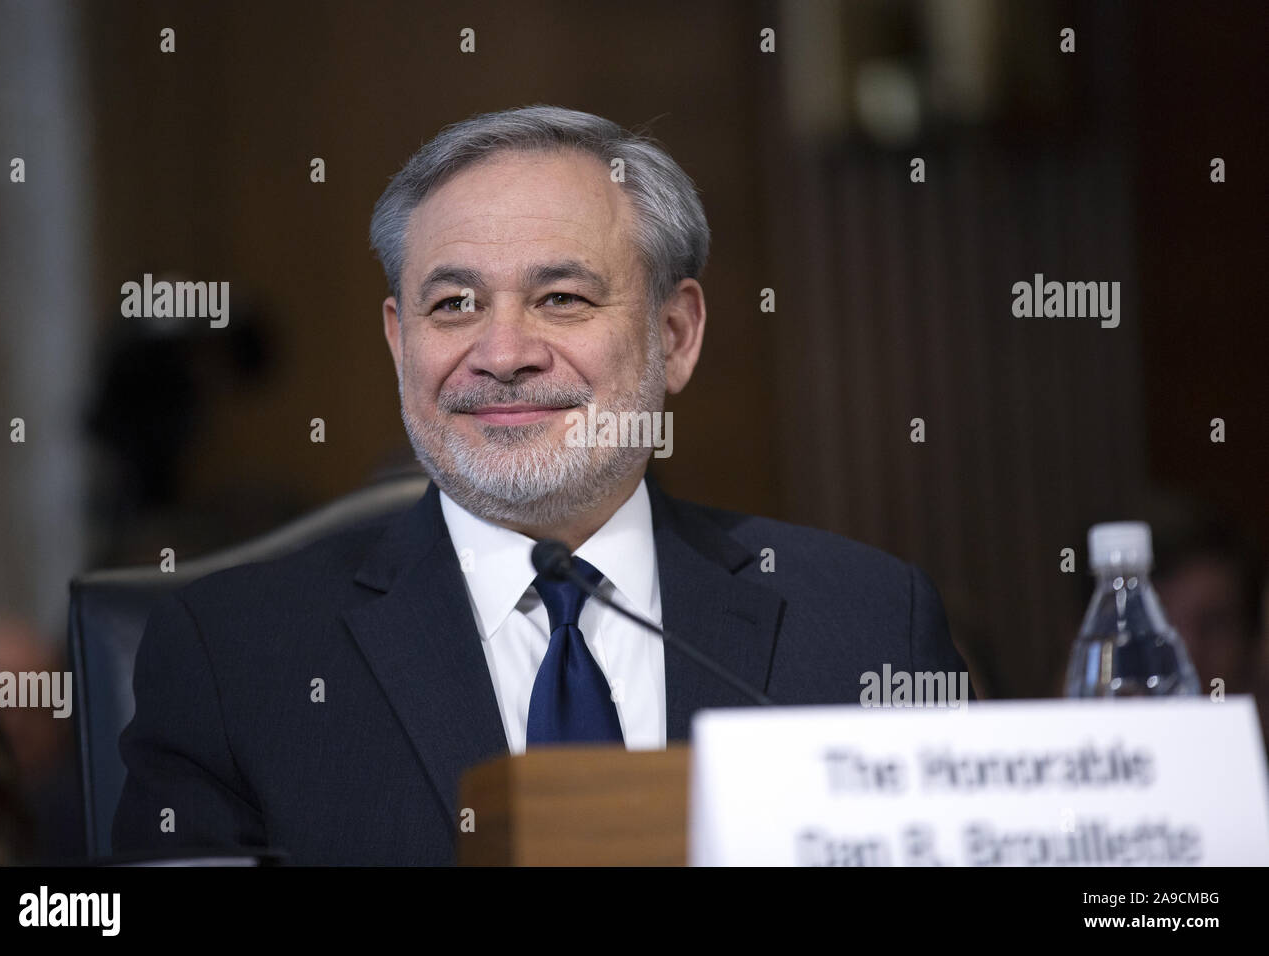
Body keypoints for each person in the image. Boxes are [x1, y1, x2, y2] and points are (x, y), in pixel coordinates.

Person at [113, 105, 969, 864]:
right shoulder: (234, 656)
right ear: (397, 342)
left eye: (561, 298)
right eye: (453, 305)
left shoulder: (863, 625)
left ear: (675, 335)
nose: (503, 351)